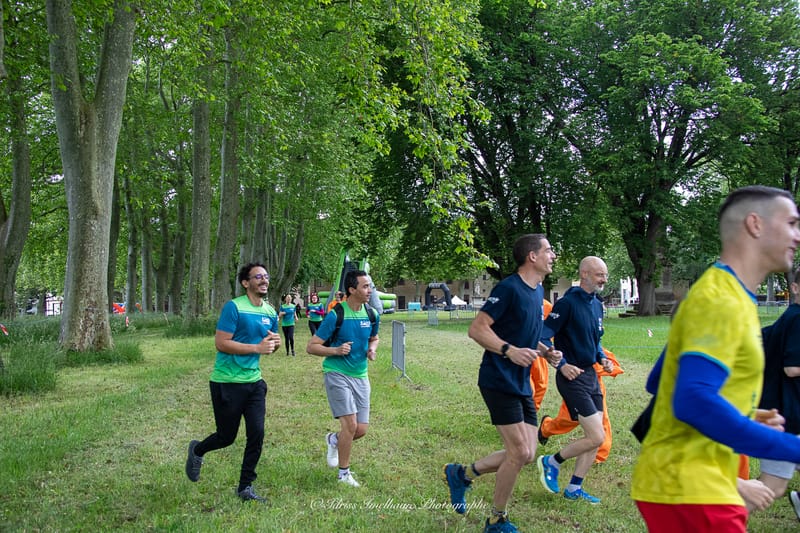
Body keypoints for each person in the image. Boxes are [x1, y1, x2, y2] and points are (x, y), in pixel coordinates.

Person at [630, 185, 800, 533]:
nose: (797, 236)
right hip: (692, 489)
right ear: (755, 224)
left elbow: (662, 380)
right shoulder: (721, 300)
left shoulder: (729, 294)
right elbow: (692, 400)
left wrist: (743, 413)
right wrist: (792, 446)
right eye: (792, 224)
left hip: (689, 485)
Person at [443, 233, 561, 533]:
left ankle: (462, 474)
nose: (553, 255)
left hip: (522, 382)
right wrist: (509, 350)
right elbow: (477, 329)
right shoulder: (509, 288)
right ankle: (496, 520)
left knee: (527, 453)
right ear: (531, 256)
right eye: (548, 250)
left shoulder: (537, 291)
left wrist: (545, 352)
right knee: (519, 453)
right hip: (498, 379)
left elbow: (523, 329)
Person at [184, 262, 281, 502]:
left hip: (254, 382)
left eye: (266, 276)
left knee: (257, 433)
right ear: (245, 283)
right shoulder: (234, 308)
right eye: (257, 276)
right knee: (226, 437)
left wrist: (274, 344)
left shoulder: (270, 312)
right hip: (226, 381)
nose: (264, 280)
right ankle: (197, 450)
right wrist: (256, 347)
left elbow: (269, 344)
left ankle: (245, 487)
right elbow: (221, 343)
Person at [536, 256, 614, 504]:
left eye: (605, 275)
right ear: (585, 274)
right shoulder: (567, 303)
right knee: (597, 437)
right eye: (600, 274)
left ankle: (574, 488)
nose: (604, 279)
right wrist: (562, 364)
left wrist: (602, 358)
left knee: (596, 436)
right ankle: (551, 461)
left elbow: (596, 340)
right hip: (571, 377)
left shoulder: (597, 304)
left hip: (590, 375)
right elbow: (543, 337)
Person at [306, 270, 380, 488]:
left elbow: (374, 338)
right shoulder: (336, 314)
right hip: (337, 374)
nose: (370, 291)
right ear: (352, 290)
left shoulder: (372, 314)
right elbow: (312, 347)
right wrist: (336, 350)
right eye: (365, 286)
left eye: (370, 286)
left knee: (361, 430)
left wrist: (372, 349)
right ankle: (344, 474)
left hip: (361, 375)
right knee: (350, 425)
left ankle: (333, 440)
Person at [758, 269, 800, 518]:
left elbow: (763, 339)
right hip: (786, 420)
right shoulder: (797, 318)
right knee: (771, 487)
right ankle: (709, 516)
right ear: (794, 288)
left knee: (774, 486)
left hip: (785, 415)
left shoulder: (789, 319)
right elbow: (793, 368)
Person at [536, 347, 623, 464]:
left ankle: (598, 455)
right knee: (570, 418)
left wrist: (603, 358)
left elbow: (594, 338)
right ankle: (546, 429)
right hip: (574, 372)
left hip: (592, 370)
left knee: (599, 417)